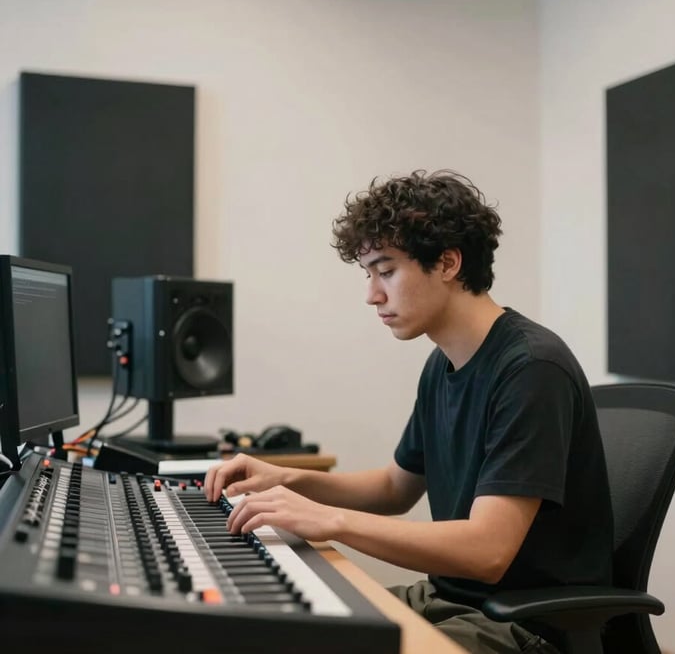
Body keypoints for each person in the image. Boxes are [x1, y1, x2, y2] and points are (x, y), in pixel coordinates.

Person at [204, 170, 613, 654]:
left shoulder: (531, 369)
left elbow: (488, 551)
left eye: (386, 270)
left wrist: (329, 520)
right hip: (449, 599)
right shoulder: (443, 363)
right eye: (369, 274)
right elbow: (395, 488)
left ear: (447, 262)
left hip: (523, 628)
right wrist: (284, 478)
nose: (372, 295)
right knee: (287, 626)